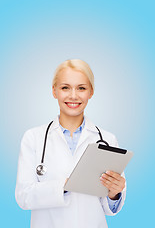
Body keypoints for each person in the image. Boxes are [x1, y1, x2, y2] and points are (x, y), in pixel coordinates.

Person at [15, 59, 127, 228]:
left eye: (81, 88)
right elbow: (23, 197)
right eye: (65, 87)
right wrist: (64, 186)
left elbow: (109, 208)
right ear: (54, 91)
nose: (73, 95)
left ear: (91, 92)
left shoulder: (107, 139)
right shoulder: (33, 138)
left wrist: (114, 193)